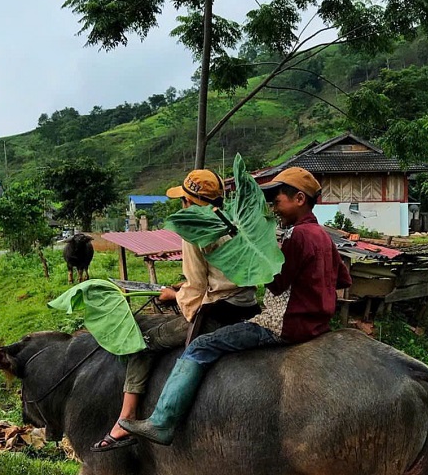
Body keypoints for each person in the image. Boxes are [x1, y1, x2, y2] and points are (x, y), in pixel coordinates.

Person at [119, 166, 352, 446]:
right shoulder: (323, 235)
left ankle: (161, 421)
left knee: (200, 347)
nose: (274, 208)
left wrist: (254, 259)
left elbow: (275, 283)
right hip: (317, 324)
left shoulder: (296, 236)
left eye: (278, 201)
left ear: (299, 199)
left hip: (283, 324)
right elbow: (343, 278)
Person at [92, 169, 258, 451]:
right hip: (247, 306)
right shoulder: (235, 222)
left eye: (183, 200)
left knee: (143, 344)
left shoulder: (193, 230)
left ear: (190, 203)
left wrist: (175, 295)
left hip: (218, 313)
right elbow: (224, 275)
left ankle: (125, 421)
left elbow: (195, 290)